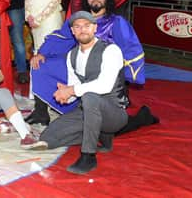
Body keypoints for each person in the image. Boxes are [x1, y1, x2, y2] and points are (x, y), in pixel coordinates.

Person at [26, 0, 149, 127]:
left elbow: (130, 49)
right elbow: (62, 38)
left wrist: (125, 79)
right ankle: (41, 112)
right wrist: (42, 53)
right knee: (40, 64)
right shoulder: (78, 19)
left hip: (100, 74)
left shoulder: (116, 22)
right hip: (77, 67)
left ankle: (141, 118)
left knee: (103, 126)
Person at [32, 12, 129, 175]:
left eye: (87, 25)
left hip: (115, 112)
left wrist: (71, 90)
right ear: (72, 31)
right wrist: (65, 94)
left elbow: (104, 86)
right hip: (89, 110)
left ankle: (88, 155)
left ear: (95, 28)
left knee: (90, 97)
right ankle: (99, 134)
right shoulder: (72, 55)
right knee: (47, 138)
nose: (82, 30)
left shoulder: (111, 50)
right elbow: (75, 88)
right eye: (77, 26)